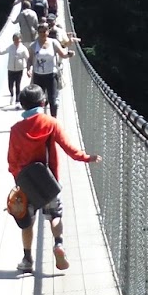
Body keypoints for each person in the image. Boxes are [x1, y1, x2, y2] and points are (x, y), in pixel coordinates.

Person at [7, 83, 99, 273]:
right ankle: (58, 244)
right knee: (55, 216)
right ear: (43, 102)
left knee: (27, 223)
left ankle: (27, 259)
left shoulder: (16, 129)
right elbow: (69, 149)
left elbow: (12, 161)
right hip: (49, 181)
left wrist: (18, 181)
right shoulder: (51, 123)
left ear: (23, 105)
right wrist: (86, 157)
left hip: (26, 182)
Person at [30, 20, 71, 117]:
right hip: (38, 76)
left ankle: (53, 121)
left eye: (45, 31)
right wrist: (28, 68)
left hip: (51, 75)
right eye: (40, 32)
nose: (43, 34)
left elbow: (63, 54)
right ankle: (39, 120)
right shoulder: (33, 45)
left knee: (53, 100)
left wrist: (68, 54)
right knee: (37, 100)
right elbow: (30, 59)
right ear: (38, 32)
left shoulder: (54, 43)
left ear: (48, 32)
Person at [0, 32, 30, 106]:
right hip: (10, 69)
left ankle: (17, 101)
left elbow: (28, 59)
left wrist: (28, 69)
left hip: (19, 69)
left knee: (18, 85)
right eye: (15, 40)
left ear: (20, 40)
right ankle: (12, 95)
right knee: (10, 85)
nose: (16, 41)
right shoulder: (10, 47)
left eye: (18, 40)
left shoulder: (23, 49)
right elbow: (2, 52)